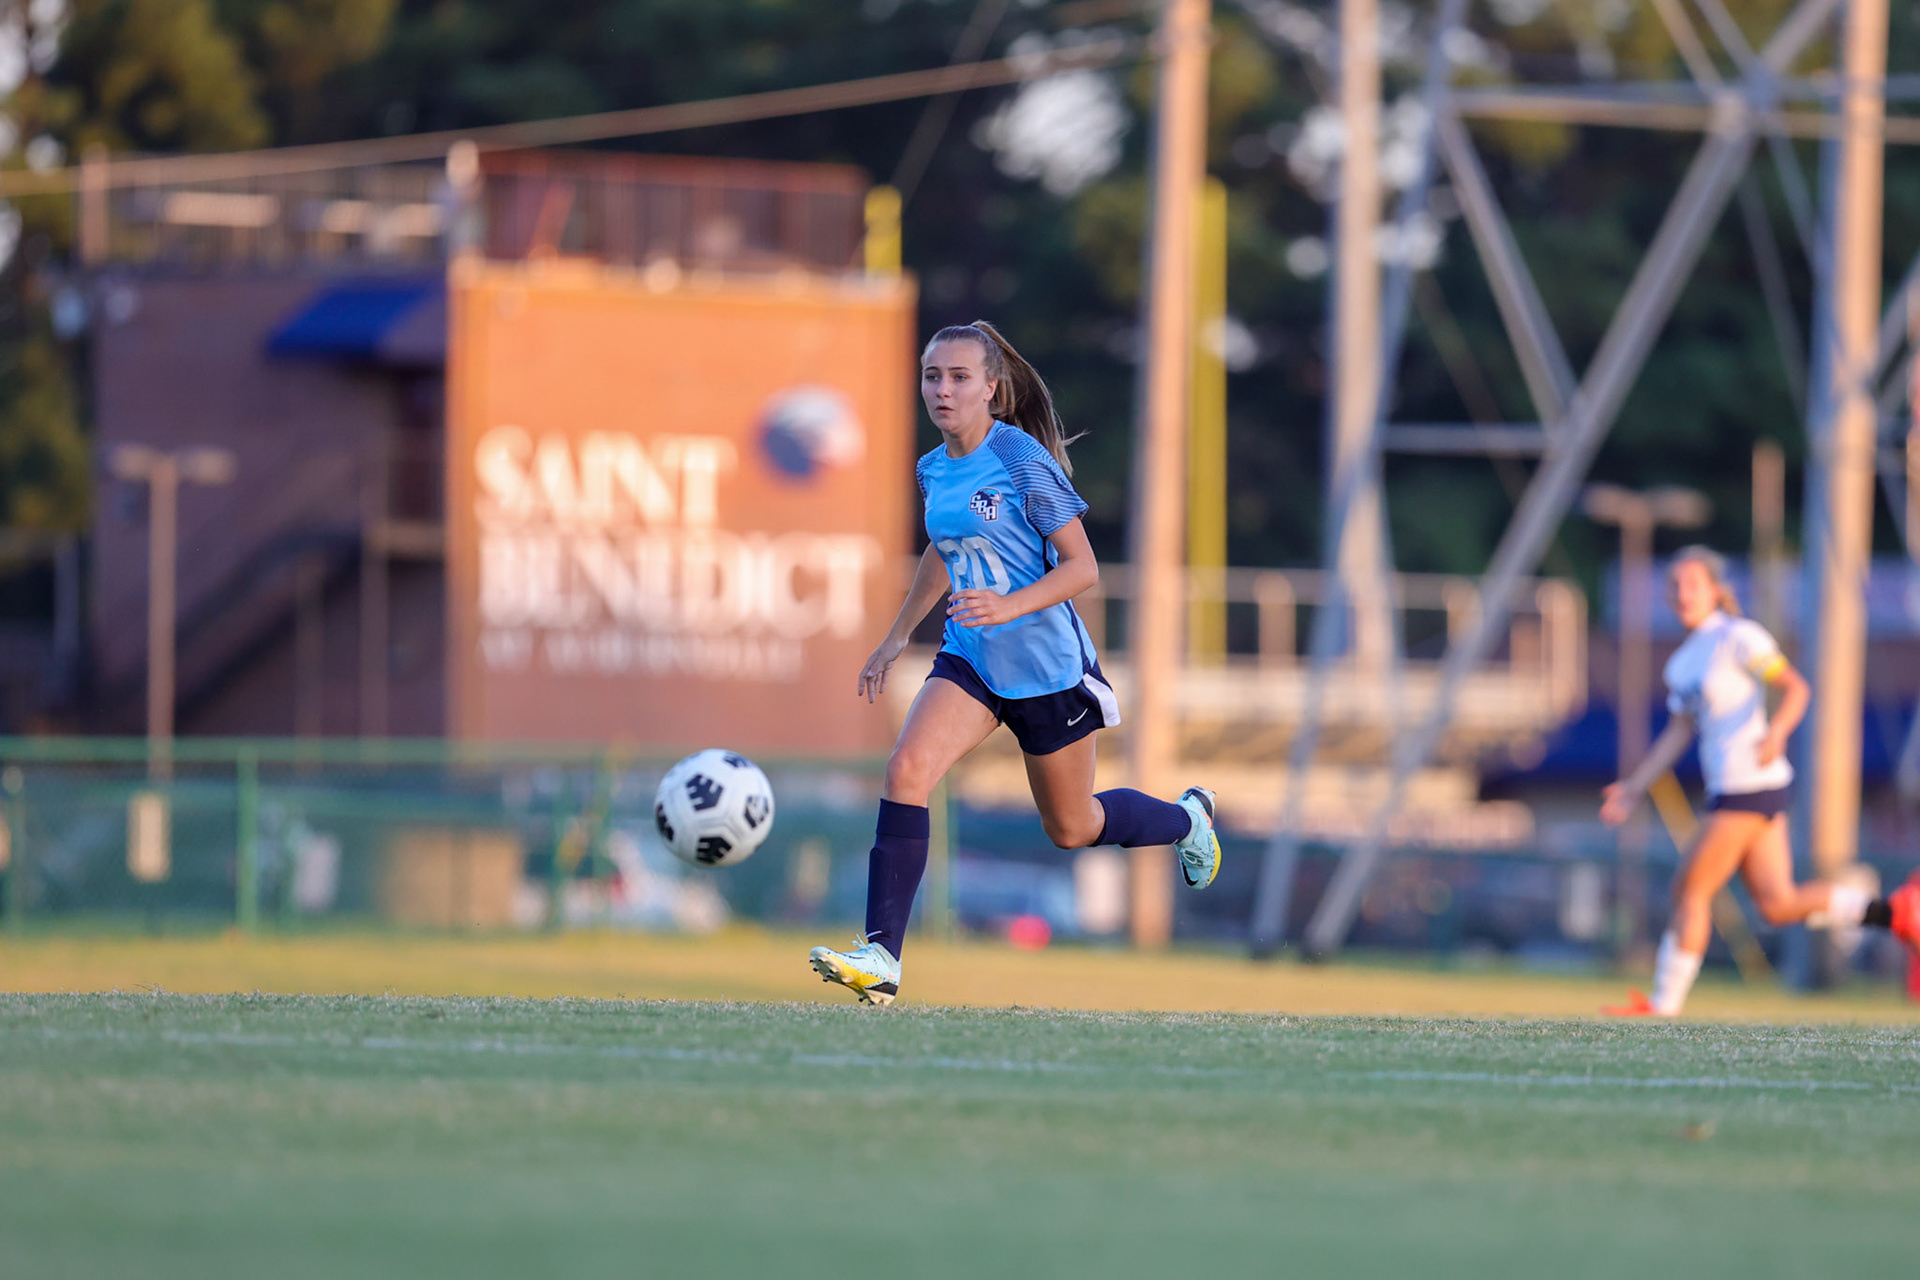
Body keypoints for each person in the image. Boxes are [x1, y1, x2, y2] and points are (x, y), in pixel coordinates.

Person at [807, 321, 1222, 1006]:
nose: (942, 389)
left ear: (992, 390)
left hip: (1047, 671)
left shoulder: (1022, 459)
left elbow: (1083, 566)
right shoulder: (932, 467)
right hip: (971, 658)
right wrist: (896, 635)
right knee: (906, 770)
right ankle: (882, 957)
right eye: (932, 376)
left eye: (959, 377)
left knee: (1073, 828)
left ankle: (1187, 820)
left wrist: (1011, 604)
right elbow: (944, 548)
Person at [1599, 545, 1920, 1017]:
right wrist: (1634, 785)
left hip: (1748, 785)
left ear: (1715, 590)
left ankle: (1663, 1005)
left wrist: (1777, 730)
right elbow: (1679, 730)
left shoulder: (1739, 637)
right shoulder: (1682, 662)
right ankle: (1896, 913)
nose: (1682, 594)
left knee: (1688, 890)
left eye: (1693, 584)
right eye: (1674, 586)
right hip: (1737, 789)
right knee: (1778, 903)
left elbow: (1795, 687)